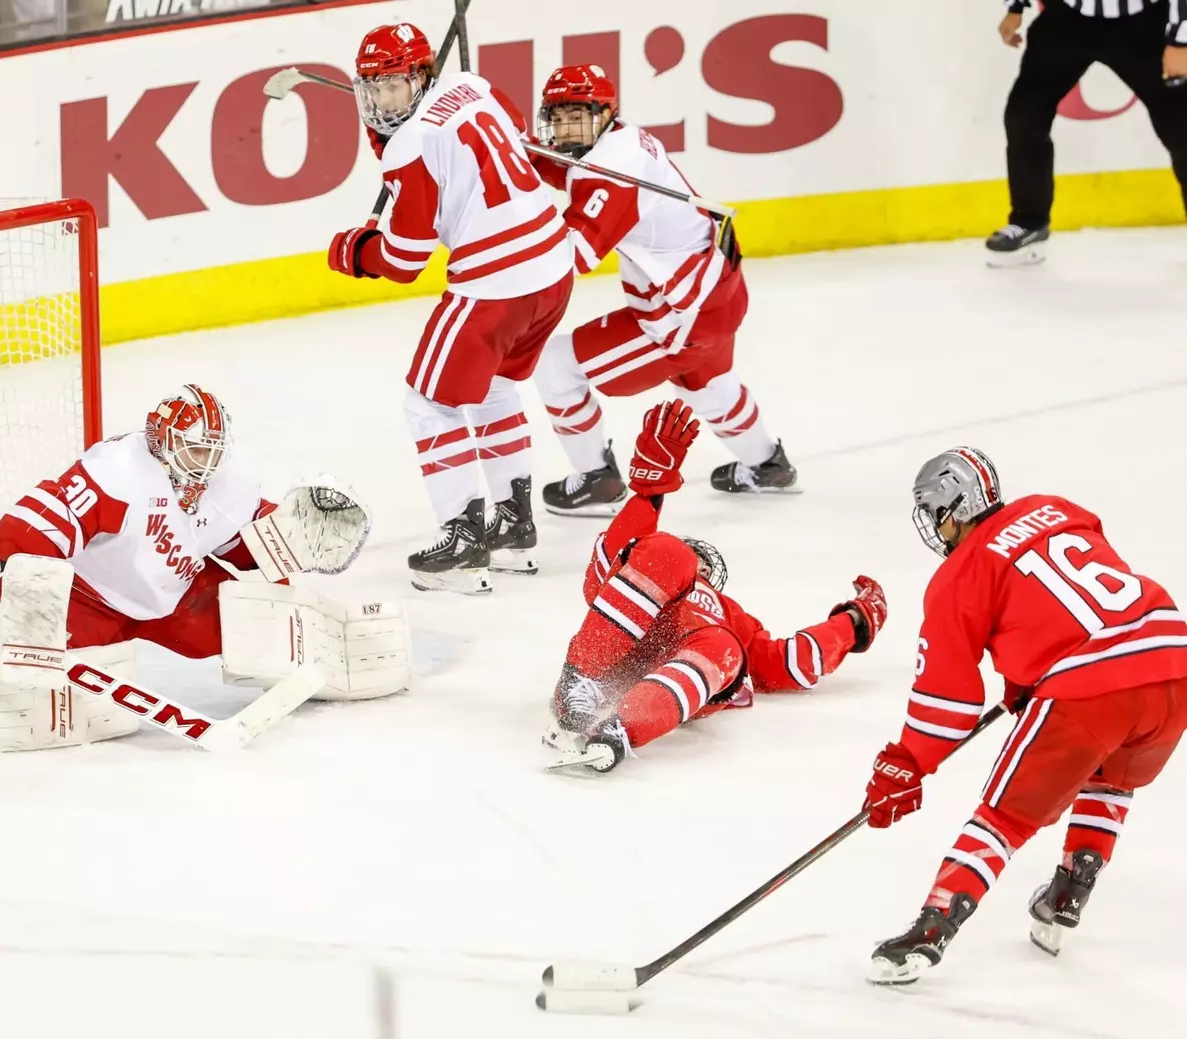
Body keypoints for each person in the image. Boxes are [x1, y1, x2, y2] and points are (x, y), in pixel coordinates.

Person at [861, 447, 1187, 982]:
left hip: (1091, 682)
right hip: (1172, 655)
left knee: (1005, 816)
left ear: (955, 508)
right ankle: (1070, 890)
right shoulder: (1057, 508)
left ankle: (931, 930)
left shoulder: (959, 577)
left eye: (935, 513)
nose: (935, 528)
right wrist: (1025, 675)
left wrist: (907, 761)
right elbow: (1077, 596)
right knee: (1110, 772)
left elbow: (947, 695)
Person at [0, 385, 285, 760]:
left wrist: (291, 536)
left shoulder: (232, 475)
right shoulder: (117, 472)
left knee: (256, 626)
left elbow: (237, 538)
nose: (206, 462)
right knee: (35, 683)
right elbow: (30, 526)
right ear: (162, 441)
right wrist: (34, 613)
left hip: (177, 594)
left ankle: (319, 652)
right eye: (195, 447)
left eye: (213, 449)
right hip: (90, 601)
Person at [327, 21, 575, 595]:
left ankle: (463, 541)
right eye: (371, 88)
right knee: (492, 389)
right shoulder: (474, 86)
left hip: (497, 282)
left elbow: (406, 257)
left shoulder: (410, 145)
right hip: (551, 266)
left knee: (428, 401)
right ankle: (513, 527)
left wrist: (354, 250)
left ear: (420, 76)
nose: (380, 101)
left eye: (391, 86)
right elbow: (509, 136)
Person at [545, 400, 884, 772]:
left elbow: (786, 663)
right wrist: (647, 495)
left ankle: (620, 731)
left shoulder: (731, 615)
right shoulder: (655, 563)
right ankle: (580, 682)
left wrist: (853, 623)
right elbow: (603, 571)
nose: (699, 564)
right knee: (666, 552)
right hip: (619, 647)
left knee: (727, 647)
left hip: (690, 667)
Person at [526, 64, 796, 509]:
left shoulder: (610, 170)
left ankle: (597, 479)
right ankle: (768, 465)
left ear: (603, 114)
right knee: (708, 384)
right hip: (717, 289)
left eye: (576, 114)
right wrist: (518, 153)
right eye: (556, 117)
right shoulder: (622, 138)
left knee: (556, 367)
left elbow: (572, 257)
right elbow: (571, 171)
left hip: (679, 315)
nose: (564, 127)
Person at [988, 0, 1187, 265]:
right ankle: (1029, 223)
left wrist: (1180, 40)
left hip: (1145, 22)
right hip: (1071, 16)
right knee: (1024, 115)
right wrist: (1015, 7)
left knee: (1181, 126)